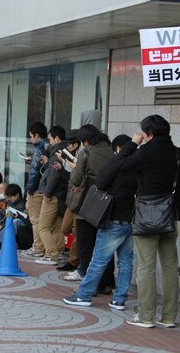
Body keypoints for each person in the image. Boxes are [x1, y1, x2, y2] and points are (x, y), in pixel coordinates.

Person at [114, 114, 180, 328]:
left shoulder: (145, 152)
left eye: (143, 133)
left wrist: (132, 144)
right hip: (170, 216)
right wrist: (177, 213)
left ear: (149, 134)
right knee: (169, 266)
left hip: (147, 216)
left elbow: (120, 165)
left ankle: (146, 316)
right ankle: (169, 316)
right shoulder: (179, 153)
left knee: (146, 267)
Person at [63, 134, 137, 310]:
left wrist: (118, 157)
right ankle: (119, 300)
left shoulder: (117, 166)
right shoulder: (137, 167)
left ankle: (84, 295)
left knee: (98, 260)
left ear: (118, 149)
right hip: (130, 220)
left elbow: (101, 181)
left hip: (113, 219)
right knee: (126, 262)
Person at [63, 124, 115, 294]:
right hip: (107, 204)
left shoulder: (86, 152)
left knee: (86, 246)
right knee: (104, 246)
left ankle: (89, 283)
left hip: (87, 204)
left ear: (86, 140)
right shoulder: (111, 150)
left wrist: (74, 168)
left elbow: (76, 180)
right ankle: (107, 282)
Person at [32, 125, 70, 265]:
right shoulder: (63, 152)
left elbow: (54, 176)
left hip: (52, 195)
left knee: (43, 226)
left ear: (57, 138)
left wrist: (47, 194)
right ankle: (58, 252)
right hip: (61, 195)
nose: (49, 142)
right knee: (56, 226)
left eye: (50, 139)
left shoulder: (57, 153)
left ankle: (51, 255)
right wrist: (48, 163)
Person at [20, 122, 49, 258]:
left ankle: (37, 248)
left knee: (36, 220)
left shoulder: (39, 150)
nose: (30, 139)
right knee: (44, 222)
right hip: (45, 188)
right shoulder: (48, 146)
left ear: (37, 135)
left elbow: (34, 173)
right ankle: (42, 247)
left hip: (37, 189)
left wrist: (30, 190)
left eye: (31, 136)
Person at [55, 130, 82, 271]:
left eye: (69, 145)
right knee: (65, 228)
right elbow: (71, 175)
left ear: (76, 144)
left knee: (76, 231)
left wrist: (66, 161)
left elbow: (78, 173)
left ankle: (74, 261)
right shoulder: (75, 155)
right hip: (71, 197)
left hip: (79, 197)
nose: (67, 147)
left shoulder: (83, 155)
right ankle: (74, 259)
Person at [0, 184, 33, 250]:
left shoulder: (23, 205)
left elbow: (28, 222)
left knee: (16, 221)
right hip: (10, 225)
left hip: (24, 228)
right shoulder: (9, 203)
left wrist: (19, 216)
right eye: (9, 197)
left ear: (17, 194)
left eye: (11, 197)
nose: (9, 199)